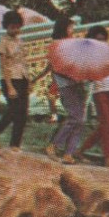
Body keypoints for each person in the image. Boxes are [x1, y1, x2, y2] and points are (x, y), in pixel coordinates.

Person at [44, 18, 88, 162]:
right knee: (75, 117)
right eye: (70, 27)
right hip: (66, 85)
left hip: (76, 83)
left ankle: (68, 153)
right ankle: (54, 145)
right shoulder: (57, 45)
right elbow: (57, 67)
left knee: (80, 120)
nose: (72, 30)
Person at [78, 26, 109, 168]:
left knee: (106, 125)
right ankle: (108, 159)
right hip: (99, 90)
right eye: (98, 39)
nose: (101, 42)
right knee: (107, 124)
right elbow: (87, 75)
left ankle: (80, 150)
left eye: (103, 39)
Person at [0, 11, 31, 148]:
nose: (15, 29)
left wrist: (29, 81)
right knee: (14, 110)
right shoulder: (3, 42)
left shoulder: (20, 41)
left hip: (23, 78)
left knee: (23, 113)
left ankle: (15, 144)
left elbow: (24, 62)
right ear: (6, 26)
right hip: (10, 79)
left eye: (17, 26)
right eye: (12, 27)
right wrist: (9, 86)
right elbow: (3, 65)